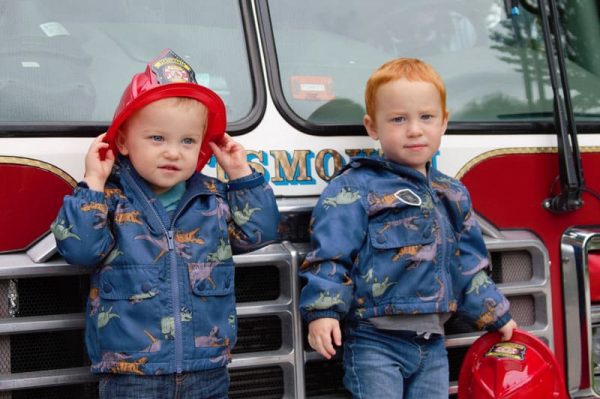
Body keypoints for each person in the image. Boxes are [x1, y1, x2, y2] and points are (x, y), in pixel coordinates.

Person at [51, 49, 280, 399]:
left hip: (207, 372)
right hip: (131, 377)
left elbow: (258, 232)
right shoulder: (109, 200)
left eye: (188, 141)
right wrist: (93, 183)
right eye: (157, 138)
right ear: (123, 141)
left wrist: (240, 174)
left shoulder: (213, 198)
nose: (173, 152)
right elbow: (80, 250)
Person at [299, 58, 517, 399]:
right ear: (373, 127)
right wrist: (322, 312)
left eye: (426, 117)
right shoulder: (354, 188)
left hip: (432, 345)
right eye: (399, 119)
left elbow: (467, 264)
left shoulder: (452, 193)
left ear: (444, 122)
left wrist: (496, 314)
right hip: (374, 342)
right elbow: (331, 255)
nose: (414, 129)